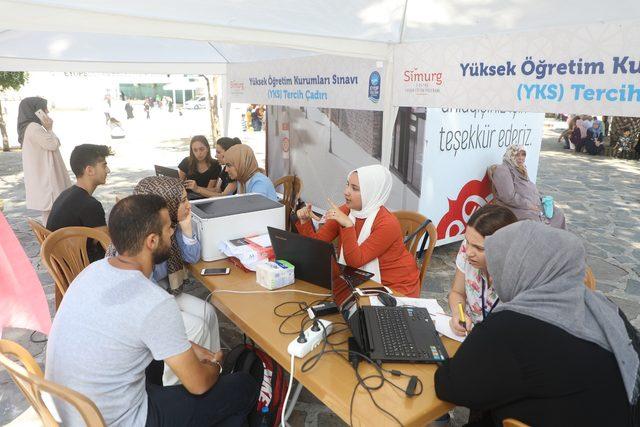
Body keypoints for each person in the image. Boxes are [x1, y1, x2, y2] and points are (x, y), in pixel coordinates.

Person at [46, 194, 257, 426]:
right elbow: (198, 385)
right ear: (152, 241)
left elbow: (144, 334)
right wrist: (215, 364)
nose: (172, 233)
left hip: (72, 413)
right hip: (121, 420)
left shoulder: (91, 272)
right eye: (169, 228)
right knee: (242, 386)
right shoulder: (154, 301)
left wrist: (194, 350)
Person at [434, 221, 638, 426]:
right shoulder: (607, 309)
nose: (494, 279)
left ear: (524, 269)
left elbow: (451, 385)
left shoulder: (511, 326)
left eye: (501, 267)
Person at [130, 176, 221, 386]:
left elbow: (191, 257)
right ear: (167, 204)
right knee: (196, 327)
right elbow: (144, 292)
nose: (188, 204)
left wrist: (186, 227)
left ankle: (215, 367)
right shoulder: (146, 237)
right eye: (182, 201)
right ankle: (178, 384)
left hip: (163, 291)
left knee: (208, 312)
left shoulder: (170, 225)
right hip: (147, 302)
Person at [295, 165, 421, 297]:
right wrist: (305, 222)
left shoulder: (387, 223)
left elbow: (355, 262)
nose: (346, 192)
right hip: (361, 280)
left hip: (395, 287)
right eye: (348, 185)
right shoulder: (346, 210)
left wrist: (348, 227)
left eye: (355, 188)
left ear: (371, 193)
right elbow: (316, 245)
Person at [447, 205, 517, 336]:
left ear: (504, 248)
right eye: (467, 241)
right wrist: (458, 314)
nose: (468, 252)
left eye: (479, 248)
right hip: (469, 335)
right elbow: (457, 292)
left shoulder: (520, 278)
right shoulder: (466, 249)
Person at [47, 144, 113, 262]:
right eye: (104, 165)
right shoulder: (91, 205)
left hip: (65, 266)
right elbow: (110, 248)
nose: (108, 170)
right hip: (84, 270)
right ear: (90, 170)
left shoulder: (65, 194)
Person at [18, 97, 71, 224]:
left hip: (42, 178)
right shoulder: (34, 128)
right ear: (35, 110)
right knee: (53, 214)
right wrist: (50, 129)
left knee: (50, 214)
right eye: (43, 108)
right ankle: (51, 241)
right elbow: (53, 144)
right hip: (48, 181)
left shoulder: (28, 128)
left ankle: (50, 241)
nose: (47, 111)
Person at [491, 145, 566, 229]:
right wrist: (529, 205)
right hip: (515, 207)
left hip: (532, 203)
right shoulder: (502, 170)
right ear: (510, 155)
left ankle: (556, 240)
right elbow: (508, 197)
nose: (521, 158)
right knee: (536, 222)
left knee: (558, 213)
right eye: (517, 155)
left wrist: (541, 198)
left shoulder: (520, 168)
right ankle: (541, 241)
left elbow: (529, 187)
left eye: (523, 155)